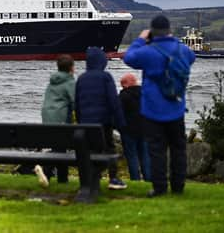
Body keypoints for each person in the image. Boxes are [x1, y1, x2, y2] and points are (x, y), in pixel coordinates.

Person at [123, 15, 195, 197]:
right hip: (176, 108)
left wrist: (141, 39)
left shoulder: (148, 52)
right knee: (178, 149)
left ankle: (160, 187)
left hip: (153, 109)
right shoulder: (182, 49)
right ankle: (178, 186)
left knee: (157, 151)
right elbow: (191, 57)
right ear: (169, 29)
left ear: (152, 31)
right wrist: (173, 41)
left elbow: (129, 58)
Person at [75, 46, 127, 190]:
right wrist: (120, 123)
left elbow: (77, 104)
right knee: (109, 149)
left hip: (87, 124)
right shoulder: (105, 77)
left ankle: (92, 177)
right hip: (104, 123)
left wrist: (81, 122)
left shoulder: (81, 78)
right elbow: (114, 101)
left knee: (91, 151)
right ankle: (113, 178)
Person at [37, 54, 76, 186]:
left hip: (47, 118)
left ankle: (56, 176)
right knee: (61, 149)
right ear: (71, 68)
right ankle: (53, 173)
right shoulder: (69, 82)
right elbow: (75, 102)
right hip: (61, 119)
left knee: (57, 148)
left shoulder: (52, 82)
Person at [118, 73, 151, 182]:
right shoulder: (145, 93)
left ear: (126, 85)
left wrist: (120, 128)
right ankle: (148, 178)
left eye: (122, 85)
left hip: (129, 131)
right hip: (145, 129)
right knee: (145, 156)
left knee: (132, 157)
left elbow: (118, 115)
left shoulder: (123, 96)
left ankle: (135, 179)